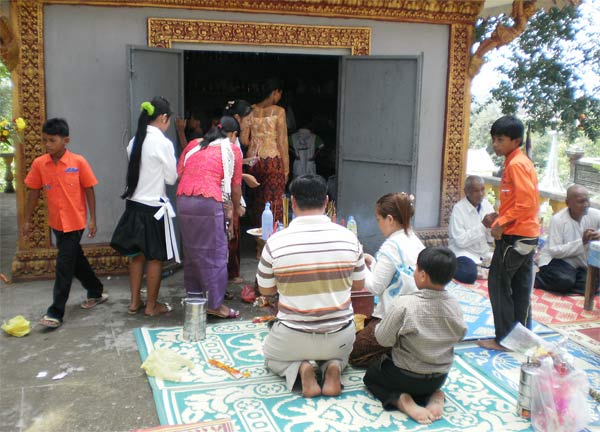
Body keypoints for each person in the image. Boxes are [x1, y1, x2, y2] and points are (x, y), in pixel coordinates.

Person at [257, 174, 366, 397]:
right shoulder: (350, 239)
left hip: (292, 335)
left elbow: (266, 290)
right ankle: (333, 366)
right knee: (342, 355)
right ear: (326, 202)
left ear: (293, 202)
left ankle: (301, 369)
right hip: (340, 335)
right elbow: (359, 285)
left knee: (271, 357)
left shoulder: (275, 242)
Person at [363, 247, 466, 425]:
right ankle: (434, 395)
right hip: (439, 377)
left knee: (372, 376)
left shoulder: (405, 304)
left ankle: (400, 399)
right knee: (424, 378)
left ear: (423, 275)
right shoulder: (455, 305)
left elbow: (383, 339)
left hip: (404, 377)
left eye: (416, 269)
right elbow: (460, 335)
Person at [22, 118, 106, 329]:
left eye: (52, 140)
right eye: (45, 140)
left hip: (75, 222)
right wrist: (26, 220)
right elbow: (33, 192)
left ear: (65, 140)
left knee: (64, 266)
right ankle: (96, 290)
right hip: (56, 223)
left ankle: (55, 311)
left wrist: (93, 219)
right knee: (75, 260)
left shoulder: (78, 162)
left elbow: (89, 189)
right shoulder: (40, 164)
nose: (47, 145)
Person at [111, 97, 178, 317]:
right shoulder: (163, 143)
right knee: (154, 257)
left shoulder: (134, 141)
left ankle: (134, 302)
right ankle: (151, 306)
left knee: (136, 255)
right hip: (152, 209)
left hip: (133, 205)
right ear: (163, 118)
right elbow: (170, 178)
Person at [478, 115, 539, 351]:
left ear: (515, 141)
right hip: (524, 233)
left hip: (516, 236)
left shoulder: (516, 164)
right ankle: (522, 337)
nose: (495, 144)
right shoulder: (517, 162)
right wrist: (499, 215)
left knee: (499, 284)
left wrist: (499, 222)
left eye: (500, 139)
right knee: (520, 287)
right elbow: (519, 201)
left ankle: (504, 339)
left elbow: (526, 204)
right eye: (494, 139)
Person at [176, 116, 243, 318]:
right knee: (215, 252)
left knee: (193, 251)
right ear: (233, 135)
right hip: (208, 201)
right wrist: (237, 208)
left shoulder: (193, 145)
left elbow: (181, 173)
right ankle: (215, 304)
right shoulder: (233, 150)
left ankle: (195, 298)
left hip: (184, 199)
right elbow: (235, 187)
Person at [349, 192, 425, 367]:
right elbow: (394, 274)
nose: (378, 224)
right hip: (415, 315)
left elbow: (375, 286)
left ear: (389, 219)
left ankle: (395, 351)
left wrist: (360, 265)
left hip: (394, 317)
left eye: (378, 219)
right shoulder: (413, 239)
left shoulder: (392, 246)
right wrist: (373, 263)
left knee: (353, 352)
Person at [240, 77, 289, 225]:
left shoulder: (250, 111)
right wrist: (286, 170)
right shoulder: (279, 111)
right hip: (272, 161)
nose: (279, 97)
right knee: (274, 203)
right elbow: (282, 142)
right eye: (279, 94)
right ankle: (271, 239)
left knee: (257, 202)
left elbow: (244, 141)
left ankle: (257, 242)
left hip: (253, 162)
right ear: (274, 92)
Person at [536, 184, 600, 295]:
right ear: (568, 203)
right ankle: (540, 278)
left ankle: (568, 283)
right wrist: (582, 241)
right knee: (564, 280)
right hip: (559, 261)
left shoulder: (594, 214)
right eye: (581, 201)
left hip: (581, 264)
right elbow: (555, 251)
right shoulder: (558, 220)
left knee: (592, 285)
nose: (586, 205)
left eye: (587, 201)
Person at [223, 99, 258, 285]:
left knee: (231, 232)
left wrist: (244, 163)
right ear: (237, 118)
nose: (249, 123)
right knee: (231, 233)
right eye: (247, 119)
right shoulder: (231, 140)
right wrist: (244, 177)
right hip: (227, 192)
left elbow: (233, 165)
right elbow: (229, 172)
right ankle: (229, 275)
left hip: (231, 188)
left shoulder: (231, 139)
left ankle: (230, 274)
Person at [448, 175, 496, 284]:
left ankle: (482, 270)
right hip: (464, 252)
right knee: (469, 274)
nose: (480, 194)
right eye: (476, 191)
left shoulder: (486, 205)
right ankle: (448, 267)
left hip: (482, 254)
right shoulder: (458, 209)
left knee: (508, 264)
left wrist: (493, 227)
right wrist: (483, 225)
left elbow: (490, 239)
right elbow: (460, 242)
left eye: (482, 190)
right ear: (466, 192)